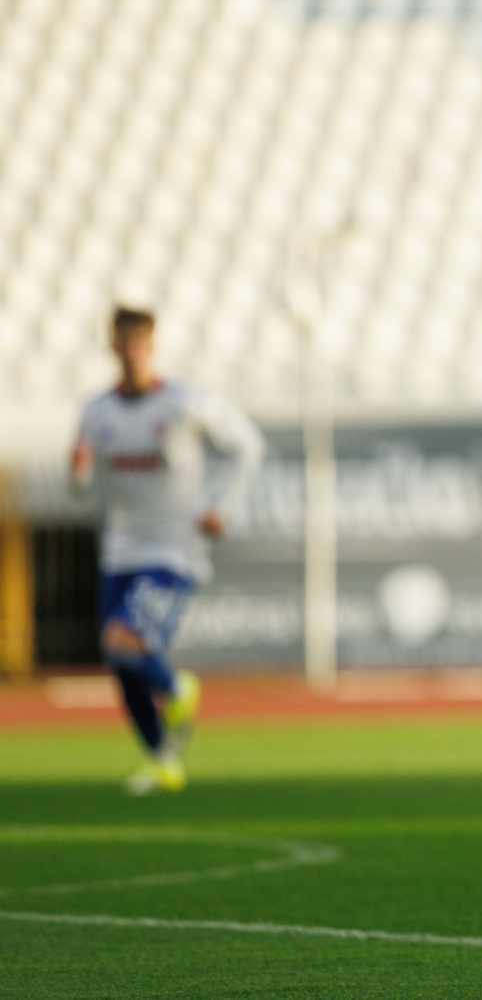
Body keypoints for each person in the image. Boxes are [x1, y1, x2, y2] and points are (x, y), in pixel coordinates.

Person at [71, 307, 264, 795]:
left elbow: (247, 443)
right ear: (113, 347)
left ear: (151, 346)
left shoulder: (183, 402)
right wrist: (76, 474)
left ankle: (179, 689)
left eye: (140, 343)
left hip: (174, 549)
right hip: (120, 551)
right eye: (123, 343)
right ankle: (163, 760)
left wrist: (224, 506)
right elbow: (83, 487)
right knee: (120, 662)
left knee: (122, 640)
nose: (132, 352)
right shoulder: (96, 413)